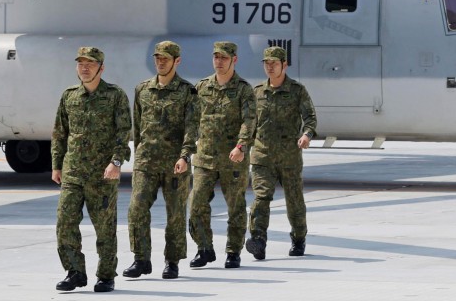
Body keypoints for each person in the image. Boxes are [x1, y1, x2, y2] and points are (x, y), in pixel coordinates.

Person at [51, 46, 132, 293]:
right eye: (81, 63)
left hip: (102, 175)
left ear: (101, 68)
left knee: (104, 228)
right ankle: (75, 272)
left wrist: (116, 162)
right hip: (73, 172)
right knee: (65, 223)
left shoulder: (115, 95)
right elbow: (60, 132)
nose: (84, 67)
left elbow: (123, 132)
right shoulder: (69, 96)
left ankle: (106, 275)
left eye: (90, 63)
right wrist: (56, 164)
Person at [124, 40, 199, 281]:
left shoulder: (187, 91)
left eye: (165, 58)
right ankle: (141, 259)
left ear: (176, 61)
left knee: (175, 213)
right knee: (136, 209)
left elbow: (192, 127)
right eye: (157, 58)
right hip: (146, 162)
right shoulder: (142, 89)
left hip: (175, 163)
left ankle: (172, 261)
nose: (160, 62)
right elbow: (137, 126)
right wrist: (138, 156)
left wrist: (185, 155)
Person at [187, 41, 256, 270]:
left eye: (224, 58)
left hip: (232, 158)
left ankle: (233, 251)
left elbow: (249, 121)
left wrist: (241, 146)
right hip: (205, 157)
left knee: (235, 207)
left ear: (234, 60)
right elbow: (192, 120)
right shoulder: (202, 86)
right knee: (196, 204)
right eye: (216, 57)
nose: (219, 61)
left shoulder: (244, 89)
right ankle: (204, 248)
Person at [245, 46, 317, 260]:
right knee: (261, 197)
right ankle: (258, 240)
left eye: (274, 63)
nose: (270, 67)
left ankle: (298, 237)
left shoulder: (297, 90)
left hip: (289, 157)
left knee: (294, 201)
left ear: (284, 65)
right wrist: (241, 146)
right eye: (266, 63)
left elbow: (310, 118)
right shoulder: (257, 92)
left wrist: (307, 135)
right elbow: (249, 124)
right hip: (262, 155)